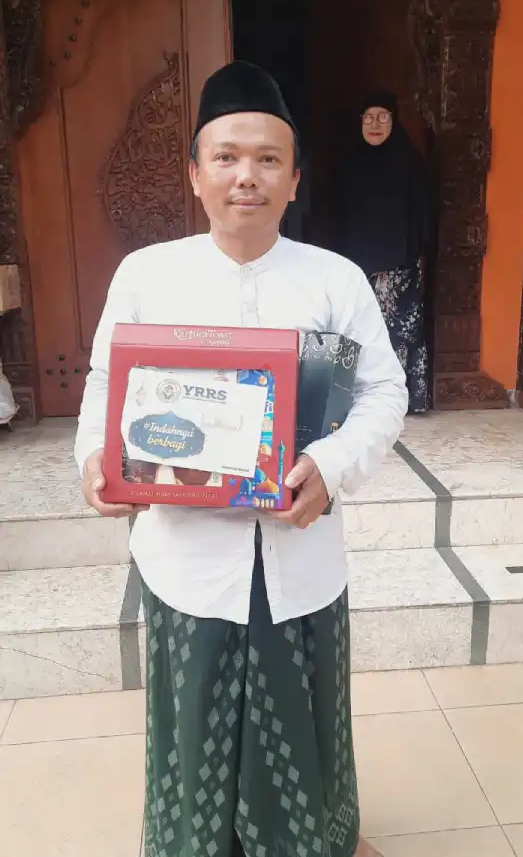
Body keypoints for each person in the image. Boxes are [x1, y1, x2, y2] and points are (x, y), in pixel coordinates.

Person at [75, 61, 408, 857]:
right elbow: (105, 384)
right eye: (225, 157)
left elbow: (384, 391)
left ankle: (316, 838)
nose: (246, 176)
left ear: (294, 179)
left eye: (267, 159)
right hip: (187, 559)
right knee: (193, 714)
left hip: (300, 551)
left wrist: (332, 464)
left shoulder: (334, 282)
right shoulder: (147, 275)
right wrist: (95, 459)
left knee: (302, 716)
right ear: (195, 173)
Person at [337, 90, 431, 414]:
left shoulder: (410, 161)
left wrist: (416, 251)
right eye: (368, 118)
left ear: (394, 121)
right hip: (357, 265)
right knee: (360, 331)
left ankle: (402, 399)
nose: (374, 124)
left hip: (399, 265)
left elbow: (423, 212)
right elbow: (339, 215)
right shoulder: (349, 163)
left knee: (399, 335)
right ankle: (361, 400)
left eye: (382, 117)